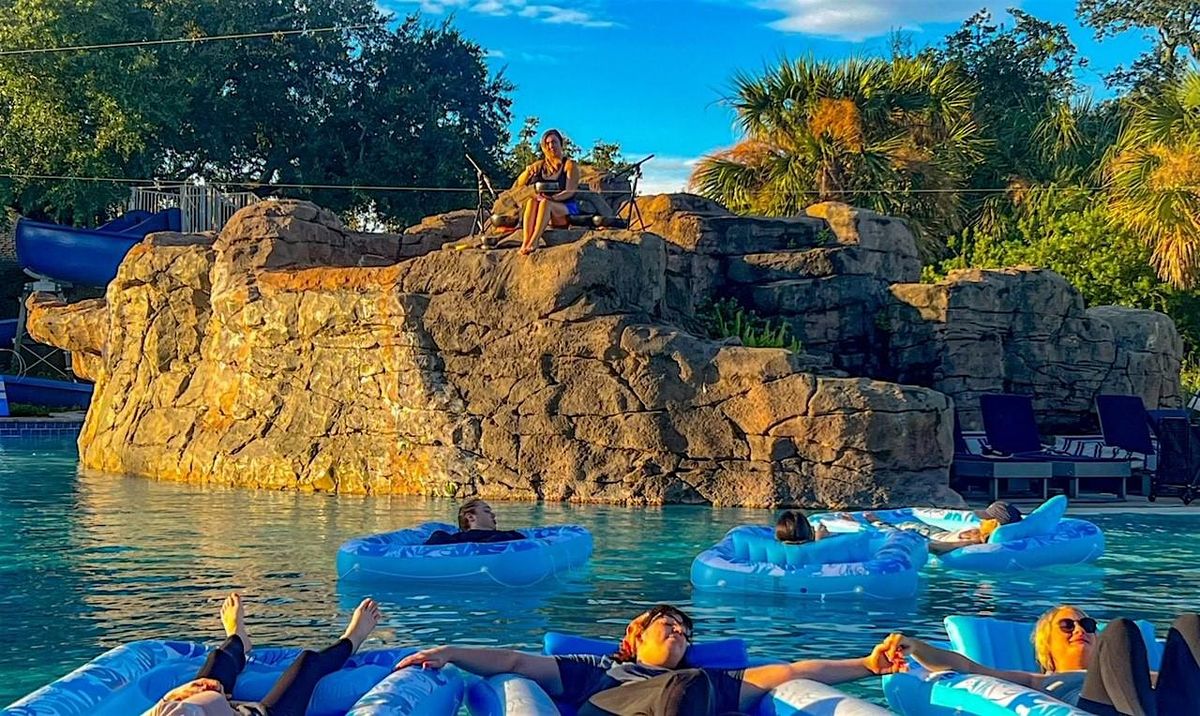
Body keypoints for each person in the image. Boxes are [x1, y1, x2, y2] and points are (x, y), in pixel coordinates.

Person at [394, 604, 902, 715]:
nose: (679, 633)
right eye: (668, 625)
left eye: (685, 630)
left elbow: (791, 671)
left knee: (687, 688)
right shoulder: (596, 670)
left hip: (685, 701)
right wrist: (448, 652)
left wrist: (867, 664)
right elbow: (515, 661)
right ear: (634, 637)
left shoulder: (705, 679)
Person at [876, 604, 1200, 715]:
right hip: (1097, 708)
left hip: (1164, 707)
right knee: (1121, 629)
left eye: (1087, 625)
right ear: (1047, 649)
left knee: (1189, 624)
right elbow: (966, 666)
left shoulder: (1143, 671)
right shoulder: (1041, 681)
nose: (1080, 630)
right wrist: (915, 646)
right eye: (1066, 625)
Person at [147, 593, 382, 716]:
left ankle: (237, 637)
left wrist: (177, 696)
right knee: (307, 662)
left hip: (215, 707)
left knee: (217, 661)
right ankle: (353, 638)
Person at [841, 500, 1024, 555]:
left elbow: (941, 547)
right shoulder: (988, 534)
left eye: (987, 519)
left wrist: (923, 546)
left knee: (898, 530)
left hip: (928, 536)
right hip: (940, 533)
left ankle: (869, 521)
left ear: (996, 524)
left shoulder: (977, 539)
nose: (982, 521)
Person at [514, 129, 581, 255]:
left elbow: (570, 191)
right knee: (531, 201)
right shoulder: (541, 165)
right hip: (543, 208)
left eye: (554, 142)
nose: (551, 146)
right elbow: (519, 184)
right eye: (548, 143)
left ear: (561, 144)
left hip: (566, 207)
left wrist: (552, 199)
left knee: (545, 203)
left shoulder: (569, 165)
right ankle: (526, 241)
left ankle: (535, 240)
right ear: (544, 147)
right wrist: (528, 171)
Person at [423, 497, 527, 545]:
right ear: (471, 517)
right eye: (487, 511)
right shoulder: (455, 538)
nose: (493, 515)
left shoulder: (510, 535)